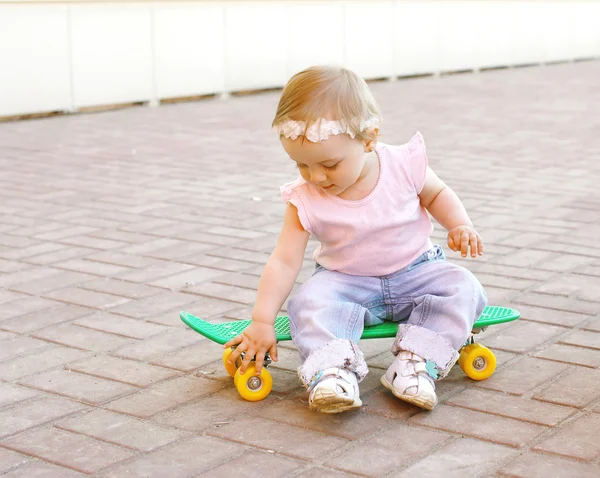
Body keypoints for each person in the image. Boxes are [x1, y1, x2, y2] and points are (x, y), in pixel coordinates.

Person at [225, 65, 487, 413]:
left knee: (464, 288)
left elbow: (437, 194)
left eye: (329, 164)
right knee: (309, 302)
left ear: (369, 139)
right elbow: (285, 260)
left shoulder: (403, 164)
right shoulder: (304, 198)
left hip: (416, 270)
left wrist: (459, 224)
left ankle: (416, 363)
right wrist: (262, 320)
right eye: (301, 165)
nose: (315, 176)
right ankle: (333, 371)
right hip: (345, 282)